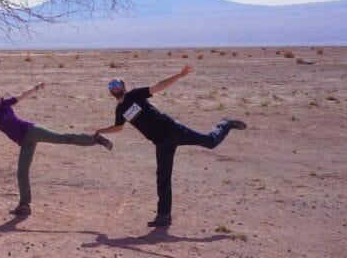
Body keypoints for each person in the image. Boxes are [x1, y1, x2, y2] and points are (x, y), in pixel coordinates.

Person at [93, 64, 247, 227]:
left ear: (123, 86)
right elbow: (118, 127)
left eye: (117, 84)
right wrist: (100, 130)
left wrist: (179, 75)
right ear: (110, 91)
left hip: (173, 130)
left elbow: (158, 87)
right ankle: (164, 215)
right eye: (111, 86)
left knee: (210, 142)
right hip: (161, 143)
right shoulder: (120, 110)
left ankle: (224, 124)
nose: (114, 87)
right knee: (163, 178)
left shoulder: (134, 95)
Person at [0, 83, 113, 216]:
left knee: (63, 138)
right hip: (24, 142)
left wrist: (35, 88)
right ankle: (25, 205)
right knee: (22, 172)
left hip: (32, 131)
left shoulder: (4, 104)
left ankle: (95, 139)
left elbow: (22, 96)